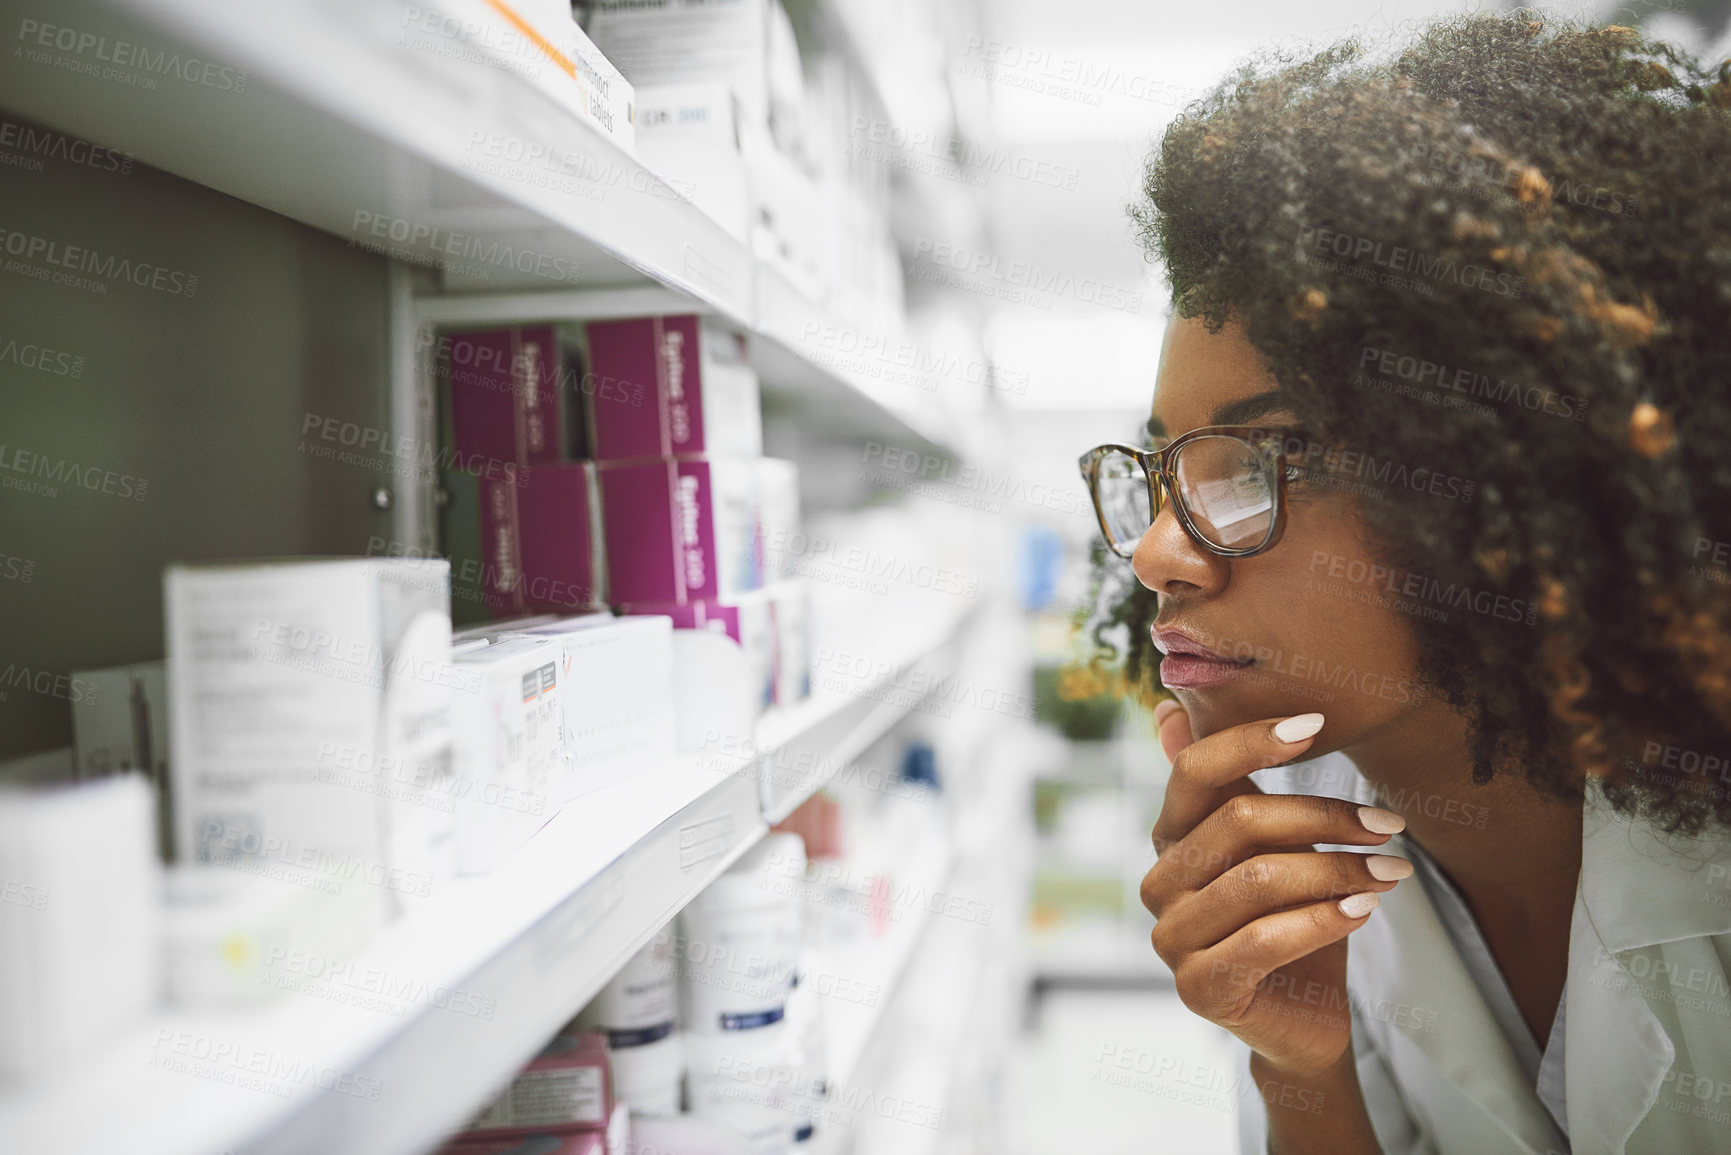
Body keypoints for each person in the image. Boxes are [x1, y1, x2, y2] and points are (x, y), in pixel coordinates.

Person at [1078, 12, 1731, 1154]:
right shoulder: (1294, 840)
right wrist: (1297, 1065)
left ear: (1484, 479)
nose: (1153, 556)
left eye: (1255, 460)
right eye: (1166, 469)